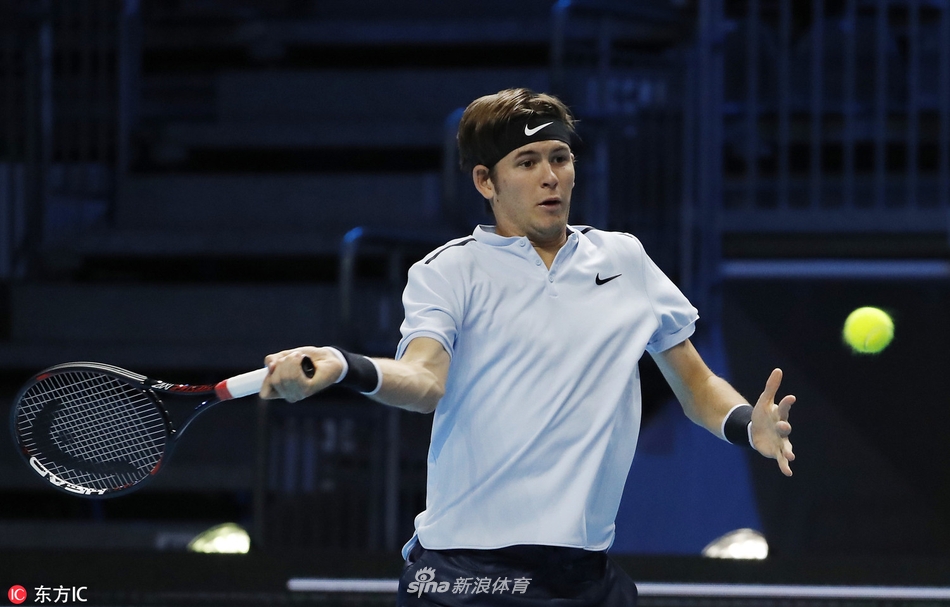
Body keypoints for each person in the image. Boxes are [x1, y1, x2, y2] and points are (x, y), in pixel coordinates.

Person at [261, 88, 796, 606]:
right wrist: (343, 366)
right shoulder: (449, 271)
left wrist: (747, 424)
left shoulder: (624, 260)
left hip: (586, 578)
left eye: (560, 157)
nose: (550, 176)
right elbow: (423, 382)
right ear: (485, 181)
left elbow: (696, 384)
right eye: (526, 162)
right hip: (466, 578)